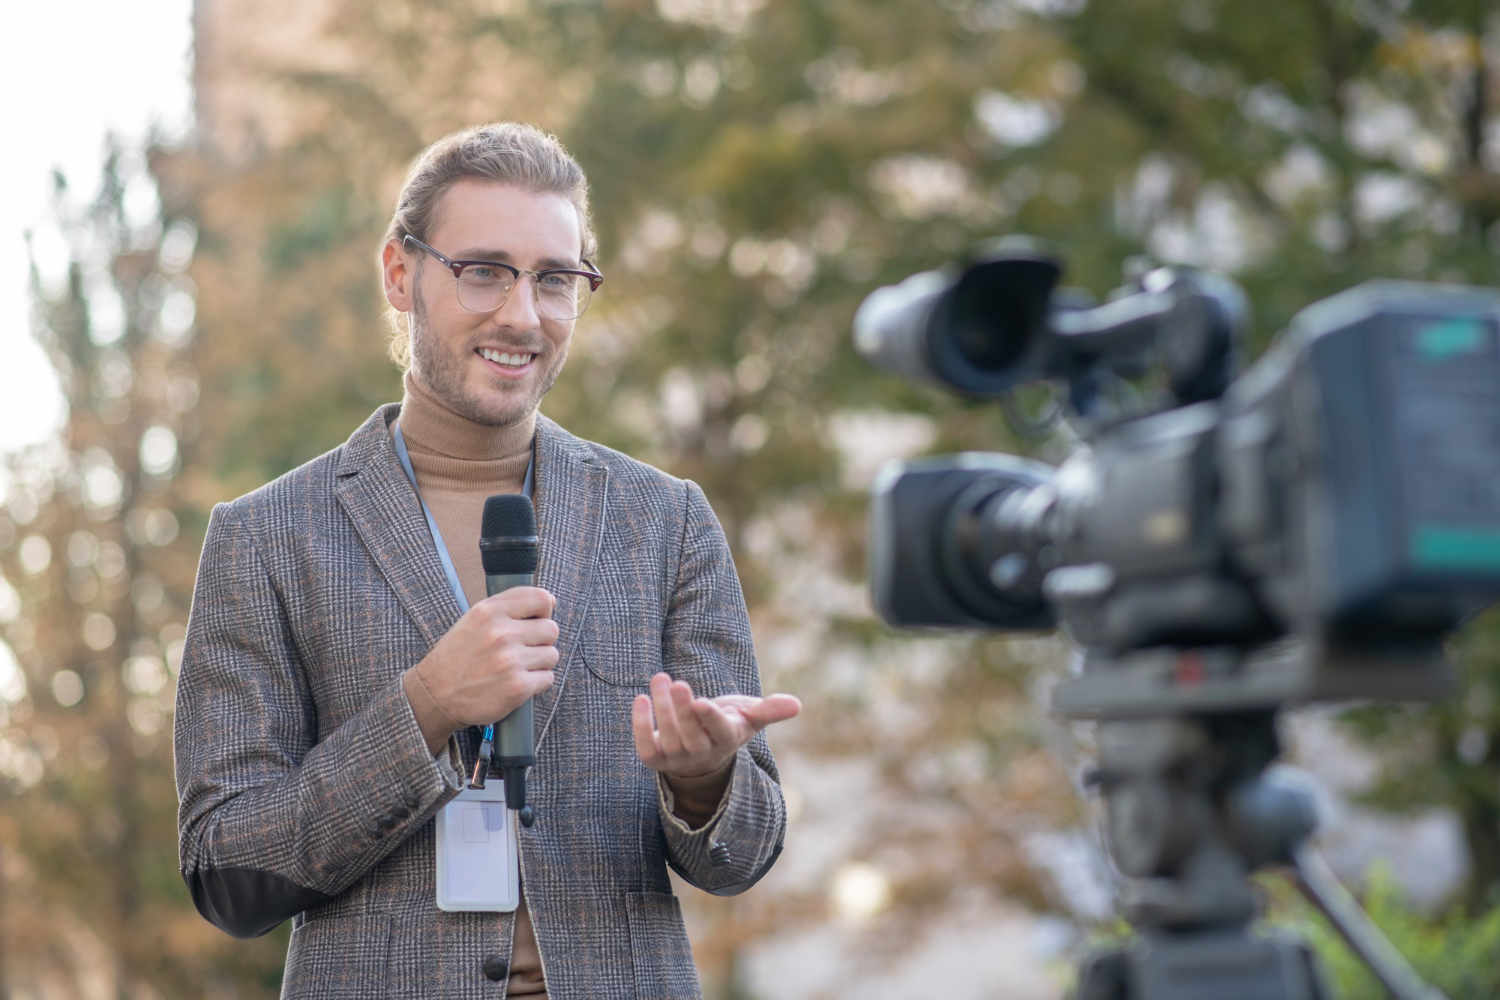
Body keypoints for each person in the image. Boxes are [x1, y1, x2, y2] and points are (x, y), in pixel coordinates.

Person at [173, 122, 800, 1000]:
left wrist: (705, 783)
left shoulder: (666, 520)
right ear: (401, 274)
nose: (522, 313)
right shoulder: (266, 537)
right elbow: (226, 872)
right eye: (484, 271)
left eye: (555, 279)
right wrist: (425, 708)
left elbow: (744, 854)